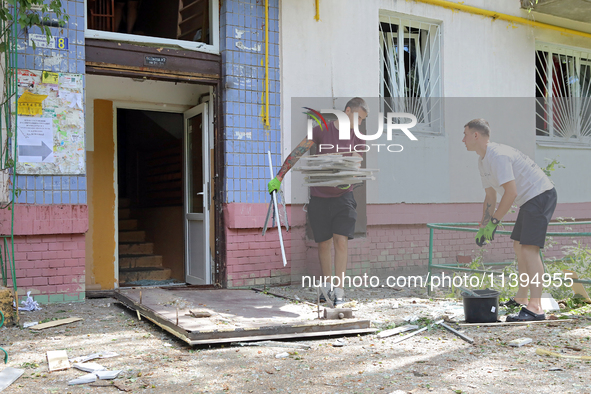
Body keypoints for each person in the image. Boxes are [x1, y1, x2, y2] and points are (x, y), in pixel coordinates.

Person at [268, 98, 368, 306]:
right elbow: (299, 151)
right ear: (347, 111)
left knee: (341, 241)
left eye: (362, 120)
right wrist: (279, 177)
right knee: (324, 243)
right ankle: (326, 287)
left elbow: (357, 160)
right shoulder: (322, 129)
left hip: (344, 197)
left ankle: (339, 292)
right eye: (358, 118)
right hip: (320, 198)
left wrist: (348, 176)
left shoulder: (357, 135)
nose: (359, 124)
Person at [462, 118, 557, 322]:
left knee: (529, 249)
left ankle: (536, 307)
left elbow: (511, 192)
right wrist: (484, 225)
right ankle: (522, 297)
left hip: (540, 194)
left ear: (475, 135)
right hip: (530, 199)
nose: (463, 140)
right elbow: (490, 196)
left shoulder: (498, 156)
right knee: (518, 246)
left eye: (465, 134)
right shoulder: (483, 161)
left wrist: (495, 222)